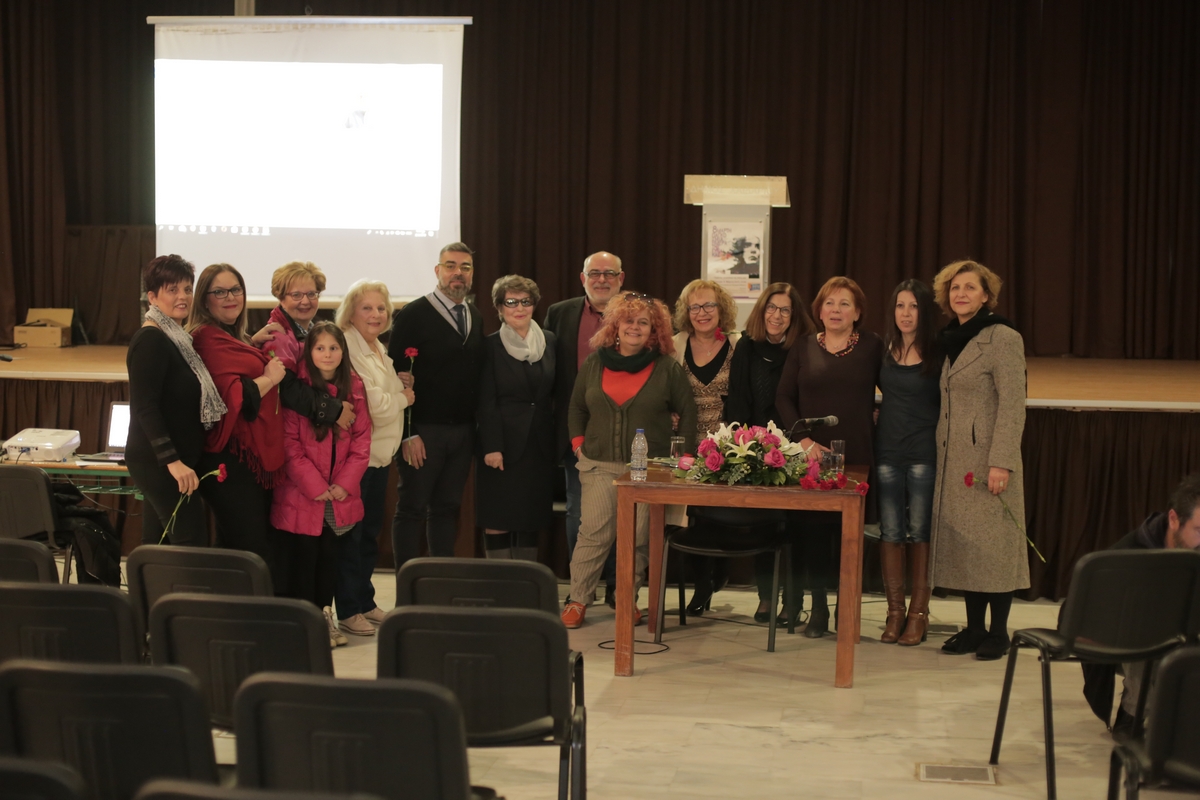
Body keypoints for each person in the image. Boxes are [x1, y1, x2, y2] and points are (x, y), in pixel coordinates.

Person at [560, 292, 697, 629]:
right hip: (598, 464)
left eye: (643, 322)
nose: (635, 327)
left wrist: (685, 456)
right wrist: (578, 444)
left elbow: (688, 412)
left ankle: (626, 600)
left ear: (654, 330)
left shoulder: (666, 367)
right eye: (628, 320)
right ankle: (578, 599)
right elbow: (576, 407)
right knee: (593, 533)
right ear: (615, 326)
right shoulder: (594, 363)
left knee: (637, 539)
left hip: (647, 468)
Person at [928, 259, 1029, 661]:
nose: (961, 294)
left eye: (970, 287)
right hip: (955, 461)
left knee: (994, 547)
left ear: (986, 295)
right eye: (955, 288)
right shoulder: (951, 338)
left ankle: (999, 632)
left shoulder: (1002, 337)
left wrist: (1002, 460)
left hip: (988, 460)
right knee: (969, 548)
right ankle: (973, 629)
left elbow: (1013, 403)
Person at [776, 276, 882, 637]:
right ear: (819, 311)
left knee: (849, 538)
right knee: (814, 537)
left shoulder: (872, 346)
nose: (836, 310)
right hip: (812, 458)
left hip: (857, 456)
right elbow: (783, 397)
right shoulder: (803, 346)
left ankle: (847, 611)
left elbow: (897, 389)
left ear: (858, 312)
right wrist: (804, 441)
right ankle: (819, 609)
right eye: (829, 303)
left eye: (845, 303)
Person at [270, 322, 371, 648]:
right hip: (303, 494)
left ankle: (325, 616)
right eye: (320, 348)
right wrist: (315, 486)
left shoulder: (355, 386)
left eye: (334, 348)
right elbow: (289, 446)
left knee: (330, 559)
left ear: (343, 352)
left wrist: (344, 483)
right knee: (304, 560)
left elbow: (362, 442)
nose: (327, 355)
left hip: (338, 496)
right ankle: (307, 621)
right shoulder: (298, 390)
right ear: (309, 353)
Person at [186, 263, 288, 575]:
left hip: (242, 459)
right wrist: (270, 378)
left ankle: (227, 604)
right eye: (220, 292)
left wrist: (250, 344)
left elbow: (236, 363)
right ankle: (254, 606)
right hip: (229, 457)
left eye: (235, 289)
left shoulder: (227, 336)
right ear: (204, 300)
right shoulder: (205, 339)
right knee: (251, 549)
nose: (230, 297)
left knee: (233, 545)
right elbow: (233, 396)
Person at [387, 243, 484, 568]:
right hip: (422, 432)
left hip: (462, 433)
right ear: (437, 271)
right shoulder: (413, 314)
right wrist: (408, 433)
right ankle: (407, 586)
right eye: (451, 265)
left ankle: (440, 580)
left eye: (465, 267)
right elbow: (395, 377)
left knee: (447, 508)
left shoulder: (475, 315)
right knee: (412, 509)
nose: (458, 273)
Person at [1081, 473, 1200, 736]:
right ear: (1173, 519)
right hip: (1109, 634)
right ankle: (1133, 717)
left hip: (1174, 635)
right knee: (1146, 624)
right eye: (1199, 530)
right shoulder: (1132, 552)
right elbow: (1090, 614)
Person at [726, 282, 815, 622]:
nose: (777, 316)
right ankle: (766, 597)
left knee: (795, 529)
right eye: (772, 308)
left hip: (795, 446)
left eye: (785, 310)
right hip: (756, 448)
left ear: (795, 315)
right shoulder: (747, 346)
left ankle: (793, 601)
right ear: (762, 311)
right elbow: (738, 398)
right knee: (762, 527)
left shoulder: (804, 347)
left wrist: (799, 442)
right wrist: (743, 446)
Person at [126, 255, 226, 546]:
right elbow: (145, 408)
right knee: (190, 544)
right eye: (172, 290)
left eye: (187, 289)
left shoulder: (176, 338)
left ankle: (147, 580)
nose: (182, 297)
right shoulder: (151, 340)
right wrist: (173, 462)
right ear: (152, 297)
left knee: (158, 545)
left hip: (171, 462)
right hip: (160, 463)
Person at [544, 251, 625, 604]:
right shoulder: (559, 313)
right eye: (595, 273)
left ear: (621, 278)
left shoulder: (637, 314)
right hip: (575, 433)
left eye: (609, 273)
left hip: (624, 433)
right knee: (578, 512)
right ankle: (582, 589)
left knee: (623, 513)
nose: (602, 279)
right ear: (583, 278)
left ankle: (618, 588)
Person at [336, 280, 414, 635]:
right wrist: (403, 398)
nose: (376, 314)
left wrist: (398, 389)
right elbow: (377, 407)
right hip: (358, 461)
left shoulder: (378, 347)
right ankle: (348, 609)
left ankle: (364, 601)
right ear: (350, 312)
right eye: (366, 307)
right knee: (351, 538)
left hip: (379, 458)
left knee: (368, 535)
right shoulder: (347, 346)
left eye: (381, 308)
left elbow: (388, 394)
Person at [875, 279, 942, 646]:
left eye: (913, 306)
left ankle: (918, 614)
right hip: (887, 451)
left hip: (923, 453)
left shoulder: (939, 351)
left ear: (924, 311)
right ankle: (894, 613)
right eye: (900, 305)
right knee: (890, 532)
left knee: (919, 531)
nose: (906, 313)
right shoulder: (883, 349)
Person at [670, 279, 741, 615]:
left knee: (718, 517)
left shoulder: (739, 345)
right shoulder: (674, 346)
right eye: (694, 307)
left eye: (709, 305)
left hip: (727, 446)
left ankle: (718, 574)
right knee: (691, 519)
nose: (702, 312)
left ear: (721, 309)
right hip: (684, 443)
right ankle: (702, 586)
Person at [476, 275, 557, 561]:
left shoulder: (549, 341)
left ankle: (525, 581)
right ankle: (499, 580)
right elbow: (485, 401)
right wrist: (491, 446)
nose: (519, 308)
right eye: (511, 302)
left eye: (525, 301)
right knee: (498, 514)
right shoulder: (489, 346)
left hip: (539, 445)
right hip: (502, 446)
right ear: (499, 308)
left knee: (530, 516)